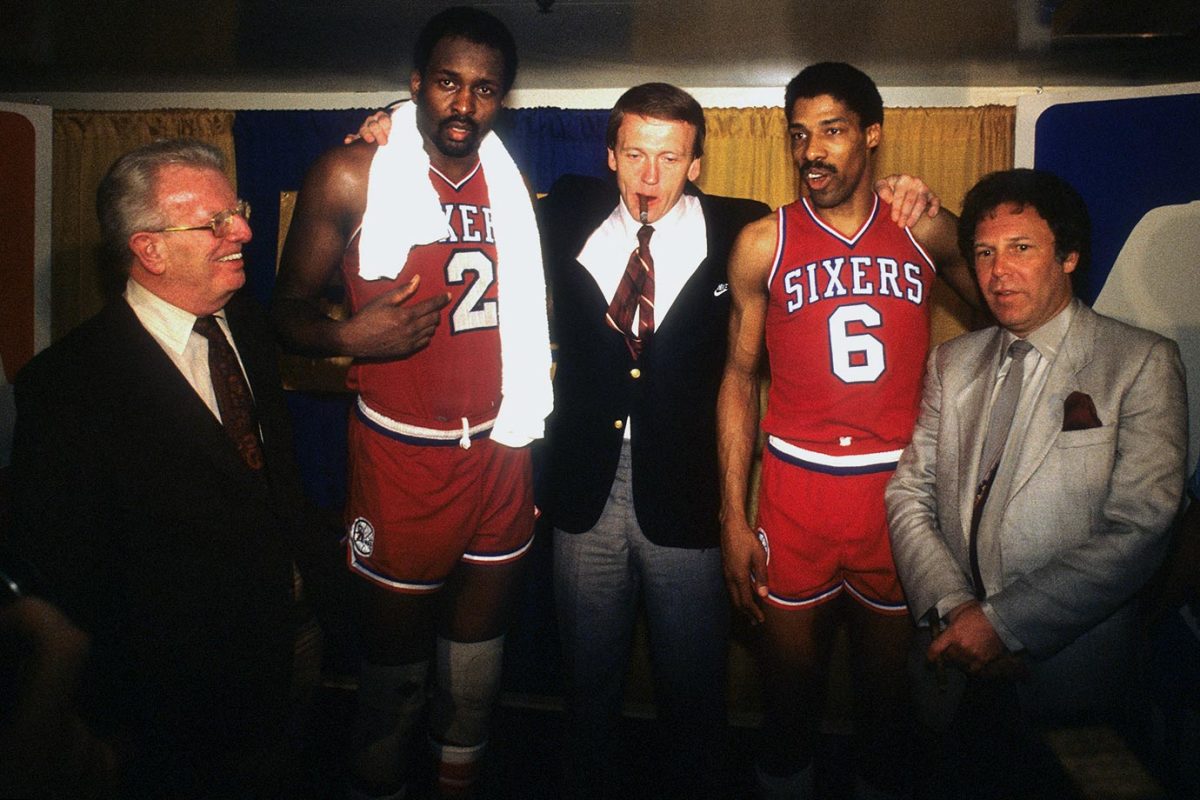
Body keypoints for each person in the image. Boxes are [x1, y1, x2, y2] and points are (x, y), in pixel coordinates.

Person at [273, 7, 551, 799]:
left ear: (502, 98)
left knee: (475, 670)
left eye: (485, 89)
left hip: (501, 447)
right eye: (448, 83)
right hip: (401, 458)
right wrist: (351, 336)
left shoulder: (509, 184)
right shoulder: (354, 172)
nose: (464, 104)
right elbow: (282, 315)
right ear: (416, 84)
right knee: (392, 675)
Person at [6, 138, 340, 797]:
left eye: (237, 211)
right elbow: (72, 576)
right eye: (215, 221)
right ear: (150, 249)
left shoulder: (246, 325)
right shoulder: (67, 384)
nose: (243, 231)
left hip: (296, 641)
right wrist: (115, 729)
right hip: (183, 698)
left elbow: (269, 479)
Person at [717, 62, 978, 799]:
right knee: (786, 704)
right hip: (795, 494)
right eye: (800, 134)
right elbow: (737, 378)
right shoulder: (764, 241)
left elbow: (1011, 308)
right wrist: (731, 516)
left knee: (886, 707)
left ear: (872, 135)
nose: (813, 151)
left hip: (896, 498)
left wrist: (939, 207)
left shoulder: (920, 227)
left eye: (832, 131)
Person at [885, 168, 1186, 798]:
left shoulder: (1140, 362)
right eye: (984, 253)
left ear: (1069, 256)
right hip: (952, 668)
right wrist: (956, 612)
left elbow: (1141, 528)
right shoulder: (952, 362)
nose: (998, 272)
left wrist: (1002, 623)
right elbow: (909, 493)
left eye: (1021, 248)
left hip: (1072, 679)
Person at [535, 84, 768, 799]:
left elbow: (834, 228)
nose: (649, 175)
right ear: (610, 154)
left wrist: (906, 198)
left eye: (670, 158)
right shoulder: (565, 210)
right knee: (586, 689)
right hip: (583, 494)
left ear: (696, 164)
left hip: (690, 498)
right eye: (635, 153)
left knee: (693, 694)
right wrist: (392, 135)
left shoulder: (743, 228)